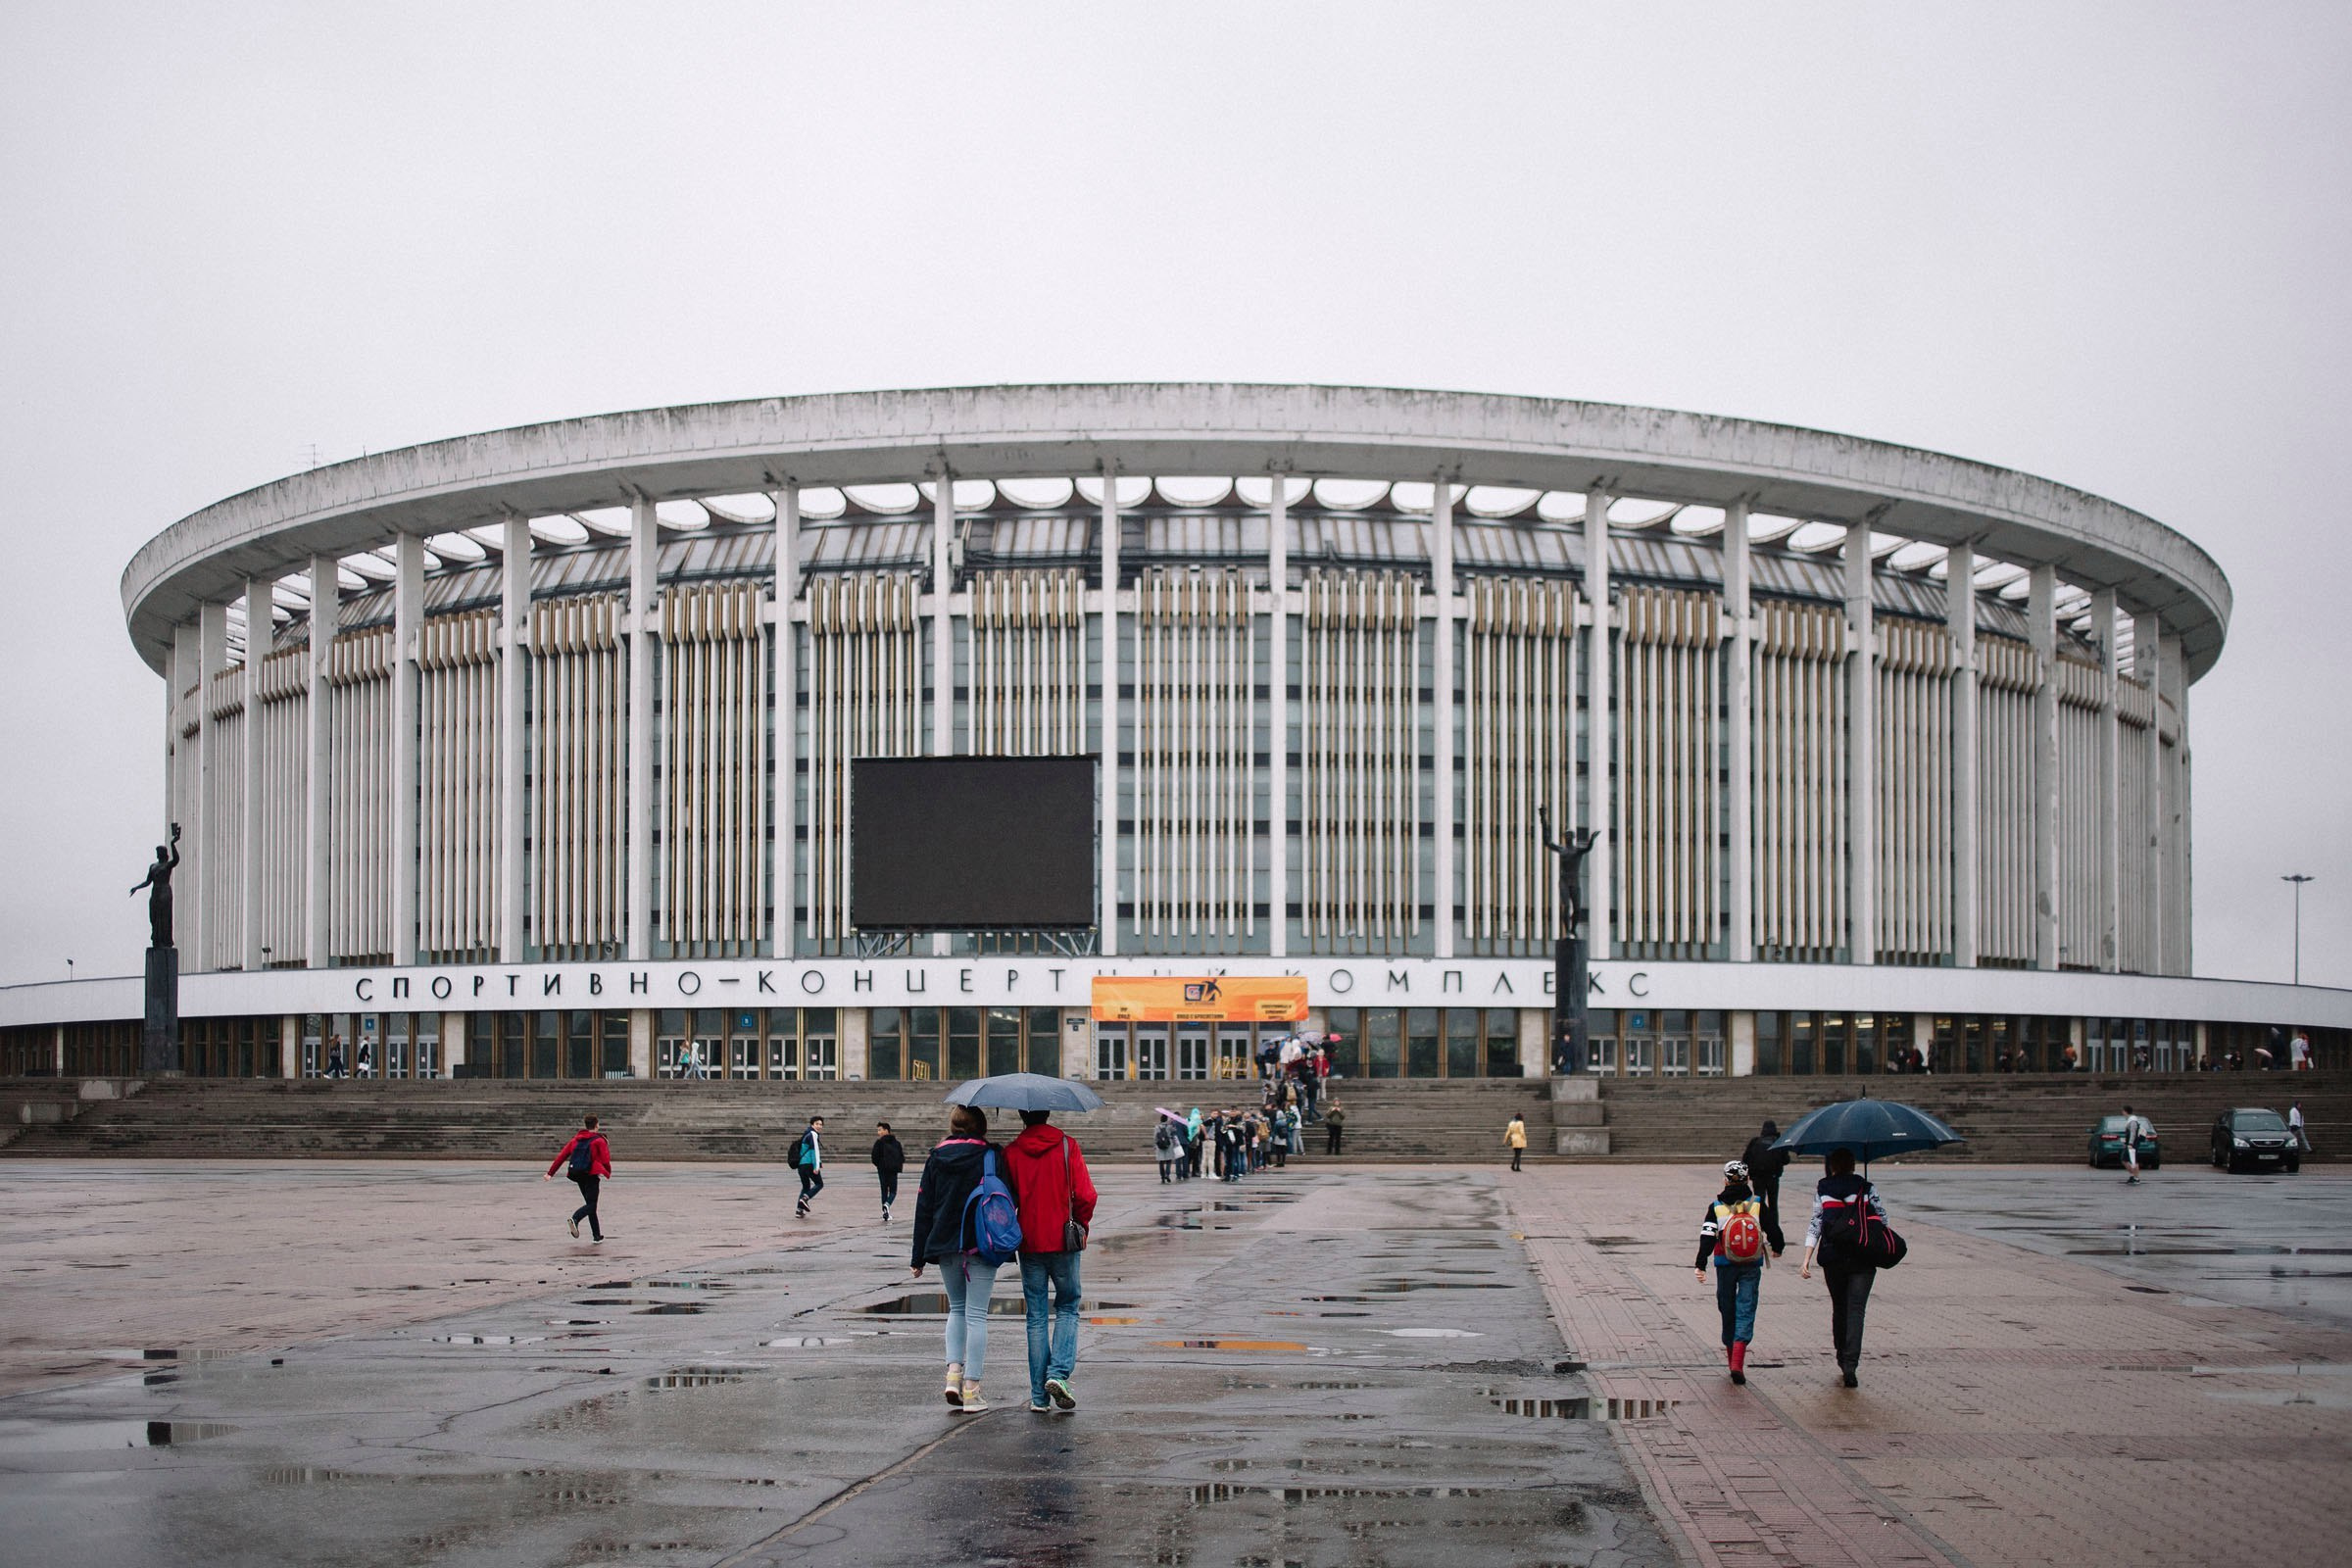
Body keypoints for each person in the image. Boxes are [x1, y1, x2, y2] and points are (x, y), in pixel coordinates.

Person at [908, 1104, 1015, 1412]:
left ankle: (953, 1375)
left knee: (956, 1309)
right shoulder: (991, 1156)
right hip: (982, 1243)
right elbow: (1008, 1198)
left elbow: (923, 1207)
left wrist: (918, 1255)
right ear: (981, 1127)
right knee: (977, 1315)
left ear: (953, 1126)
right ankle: (972, 1389)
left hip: (944, 1244)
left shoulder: (936, 1157)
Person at [1006, 1108, 1099, 1414]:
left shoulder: (1012, 1152)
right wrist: (1080, 1224)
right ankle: (1057, 1374)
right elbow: (1086, 1195)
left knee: (1035, 1315)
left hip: (1029, 1241)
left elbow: (1007, 1200)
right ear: (1048, 1114)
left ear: (1022, 1116)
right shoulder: (1067, 1145)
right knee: (1068, 1307)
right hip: (1063, 1239)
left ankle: (1038, 1397)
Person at [1798, 1147, 1887, 1387]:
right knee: (1857, 1310)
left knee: (1840, 1307)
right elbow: (1882, 1218)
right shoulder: (1866, 1187)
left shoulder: (1823, 1188)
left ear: (1833, 1166)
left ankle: (1841, 1354)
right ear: (1854, 1165)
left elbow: (1816, 1222)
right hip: (1863, 1257)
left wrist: (1807, 1256)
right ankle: (1851, 1364)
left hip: (1833, 1257)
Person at [1694, 1159, 1780, 1385]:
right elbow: (1772, 1228)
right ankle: (1738, 1362)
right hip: (1751, 1263)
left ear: (1725, 1180)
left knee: (1727, 1306)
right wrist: (1778, 1246)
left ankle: (1731, 1356)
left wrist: (1701, 1263)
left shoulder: (1716, 1207)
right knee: (1747, 1306)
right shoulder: (1758, 1204)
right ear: (1747, 1179)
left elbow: (1707, 1236)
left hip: (1725, 1263)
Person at [544, 1113, 612, 1242]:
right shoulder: (599, 1140)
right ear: (597, 1125)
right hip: (591, 1175)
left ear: (586, 1125)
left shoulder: (576, 1140)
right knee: (591, 1205)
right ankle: (575, 1219)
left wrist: (550, 1173)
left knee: (590, 1203)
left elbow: (562, 1156)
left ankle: (596, 1235)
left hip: (578, 1174)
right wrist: (607, 1170)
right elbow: (605, 1159)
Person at [1740, 1120, 1790, 1253]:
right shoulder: (1778, 1142)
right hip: (1773, 1178)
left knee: (1757, 1204)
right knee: (1773, 1206)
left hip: (1758, 1178)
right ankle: (1773, 1233)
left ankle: (1756, 1231)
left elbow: (1745, 1159)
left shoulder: (1755, 1142)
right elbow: (1786, 1160)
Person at [791, 1114, 825, 1219]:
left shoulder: (806, 1134)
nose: (819, 1126)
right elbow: (815, 1151)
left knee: (806, 1186)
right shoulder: (813, 1134)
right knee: (819, 1184)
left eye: (821, 1124)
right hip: (809, 1164)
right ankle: (805, 1198)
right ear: (812, 1124)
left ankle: (799, 1210)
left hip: (801, 1165)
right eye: (817, 1124)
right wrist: (816, 1166)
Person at [870, 1121, 905, 1222]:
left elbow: (874, 1157)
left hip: (882, 1170)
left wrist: (879, 1165)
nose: (878, 1132)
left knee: (884, 1190)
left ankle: (885, 1210)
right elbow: (901, 1157)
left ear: (886, 1130)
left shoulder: (879, 1143)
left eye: (880, 1130)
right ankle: (887, 1206)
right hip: (893, 1170)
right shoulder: (896, 1143)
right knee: (893, 1191)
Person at [2119, 1103, 2147, 1185]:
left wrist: (2130, 1143)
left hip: (2133, 1144)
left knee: (2134, 1161)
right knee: (2125, 1160)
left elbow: (2133, 1133)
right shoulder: (2130, 1120)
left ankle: (2136, 1178)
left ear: (2125, 1111)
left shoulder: (2133, 1121)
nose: (2122, 1113)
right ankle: (2133, 1175)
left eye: (2123, 1111)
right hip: (2130, 1143)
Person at [1153, 1116, 1179, 1183]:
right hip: (1168, 1144)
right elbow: (1175, 1130)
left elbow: (1155, 1137)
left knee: (1161, 1162)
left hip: (1160, 1144)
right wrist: (1172, 1123)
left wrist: (1155, 1144)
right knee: (1168, 1161)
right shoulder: (1169, 1126)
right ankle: (1167, 1175)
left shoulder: (1157, 1127)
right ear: (1167, 1120)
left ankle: (1162, 1177)